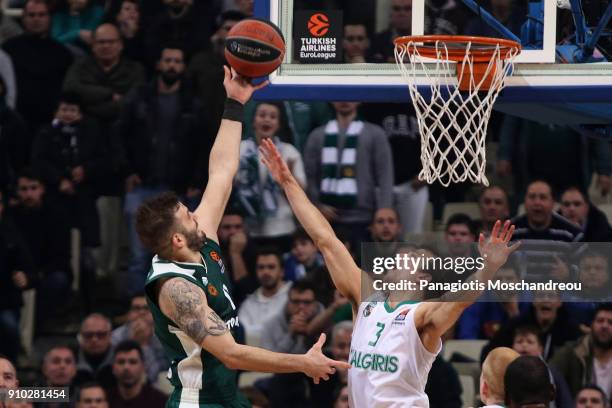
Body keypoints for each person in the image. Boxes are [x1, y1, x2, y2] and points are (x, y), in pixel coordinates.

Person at [138, 68, 349, 407]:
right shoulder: (176, 289)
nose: (197, 215)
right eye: (188, 216)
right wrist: (302, 364)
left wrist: (235, 102)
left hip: (229, 396)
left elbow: (221, 174)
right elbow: (232, 354)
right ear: (177, 240)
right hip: (198, 402)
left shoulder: (198, 241)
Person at [259, 137, 519, 406]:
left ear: (423, 277)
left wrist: (488, 267)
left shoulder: (422, 315)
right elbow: (326, 240)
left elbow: (461, 300)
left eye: (416, 255)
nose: (404, 253)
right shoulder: (368, 298)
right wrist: (288, 183)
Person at [116, 44, 207, 298]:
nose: (171, 66)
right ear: (158, 64)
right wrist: (127, 171)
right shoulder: (139, 98)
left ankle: (175, 306)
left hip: (179, 191)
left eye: (177, 61)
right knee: (138, 254)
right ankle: (136, 308)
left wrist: (197, 180)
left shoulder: (192, 103)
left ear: (183, 67)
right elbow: (120, 135)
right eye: (167, 60)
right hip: (143, 184)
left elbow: (202, 144)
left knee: (179, 253)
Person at [304, 101, 394, 250]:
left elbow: (385, 176)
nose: (344, 101)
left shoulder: (375, 133)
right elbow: (310, 177)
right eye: (339, 96)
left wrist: (383, 211)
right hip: (328, 219)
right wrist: (317, 206)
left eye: (350, 95)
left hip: (365, 217)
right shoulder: (317, 135)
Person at [235, 102, 306, 250]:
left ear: (279, 124)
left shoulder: (288, 152)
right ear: (253, 120)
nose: (267, 120)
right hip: (249, 227)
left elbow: (301, 194)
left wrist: (285, 178)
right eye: (262, 115)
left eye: (273, 117)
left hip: (282, 227)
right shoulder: (239, 149)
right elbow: (229, 186)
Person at [3, 0, 74, 135]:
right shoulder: (8, 49)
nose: (36, 19)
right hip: (17, 120)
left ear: (49, 18)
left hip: (51, 122)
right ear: (23, 18)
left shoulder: (62, 53)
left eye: (41, 15)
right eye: (32, 15)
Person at [550, 303, 612, 399]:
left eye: (610, 322)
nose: (604, 326)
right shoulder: (572, 352)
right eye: (600, 321)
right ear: (591, 325)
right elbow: (549, 377)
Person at [238, 248, 292, 343]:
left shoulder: (294, 296)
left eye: (271, 267)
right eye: (261, 267)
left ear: (282, 271)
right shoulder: (248, 303)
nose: (265, 272)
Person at [111, 294, 168, 383]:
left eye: (146, 308)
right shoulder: (116, 336)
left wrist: (144, 345)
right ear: (128, 313)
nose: (141, 312)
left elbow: (155, 374)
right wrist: (133, 343)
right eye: (136, 308)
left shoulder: (164, 336)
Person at [106, 340, 167, 408]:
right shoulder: (104, 400)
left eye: (133, 362)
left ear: (143, 366)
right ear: (113, 367)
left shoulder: (160, 402)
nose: (126, 367)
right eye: (121, 362)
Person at [74, 314, 114, 389]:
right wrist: (74, 397)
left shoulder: (122, 359)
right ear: (81, 336)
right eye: (89, 335)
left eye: (101, 335)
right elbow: (46, 395)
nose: (94, 340)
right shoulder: (68, 359)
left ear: (110, 336)